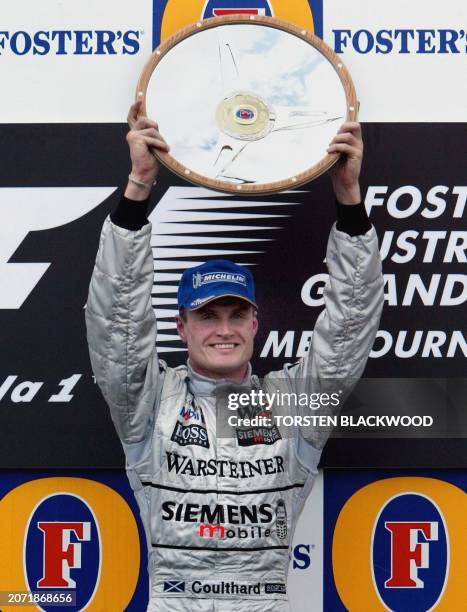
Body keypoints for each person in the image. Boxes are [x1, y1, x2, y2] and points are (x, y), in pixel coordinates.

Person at [85, 99, 384, 612]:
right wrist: (137, 189)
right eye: (207, 316)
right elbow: (117, 323)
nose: (223, 330)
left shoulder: (292, 404)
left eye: (234, 315)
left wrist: (349, 199)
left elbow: (350, 327)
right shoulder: (149, 400)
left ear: (254, 324)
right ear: (181, 326)